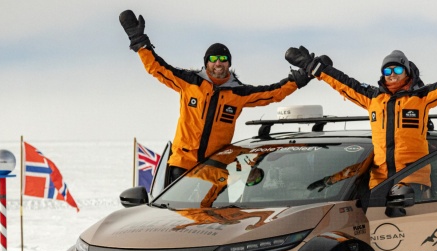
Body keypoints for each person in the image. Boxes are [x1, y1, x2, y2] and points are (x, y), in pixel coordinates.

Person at [285, 46, 437, 195]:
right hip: (379, 183)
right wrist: (312, 66)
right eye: (387, 71)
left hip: (413, 182)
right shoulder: (373, 98)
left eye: (396, 69)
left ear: (407, 72)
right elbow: (342, 82)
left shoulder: (421, 97)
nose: (392, 75)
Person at [119, 10, 310, 183]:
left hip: (216, 164)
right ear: (206, 63)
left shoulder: (238, 93)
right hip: (183, 165)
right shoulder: (189, 82)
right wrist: (140, 43)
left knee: (220, 203)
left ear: (229, 64)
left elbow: (272, 93)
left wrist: (296, 81)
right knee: (179, 209)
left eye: (223, 59)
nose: (218, 63)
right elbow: (157, 68)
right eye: (213, 59)